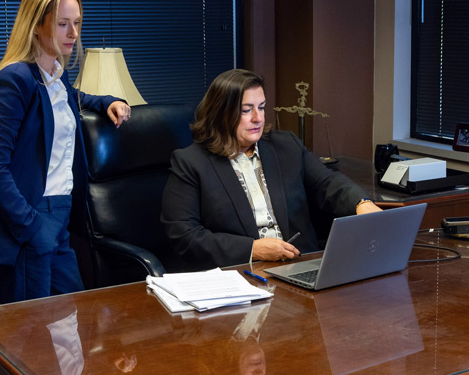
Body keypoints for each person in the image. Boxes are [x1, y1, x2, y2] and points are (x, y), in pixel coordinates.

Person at [0, 0, 132, 303]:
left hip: (60, 216)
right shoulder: (14, 81)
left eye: (76, 23)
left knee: (72, 319)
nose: (73, 34)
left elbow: (71, 99)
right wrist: (29, 226)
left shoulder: (55, 80)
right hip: (30, 216)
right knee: (31, 337)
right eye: (62, 24)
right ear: (36, 26)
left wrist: (106, 101)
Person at [161, 68, 381, 271]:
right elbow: (184, 235)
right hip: (240, 273)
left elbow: (327, 183)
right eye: (246, 110)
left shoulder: (286, 146)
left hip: (300, 266)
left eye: (262, 107)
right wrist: (252, 249)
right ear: (220, 114)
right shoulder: (191, 162)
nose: (258, 118)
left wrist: (362, 203)